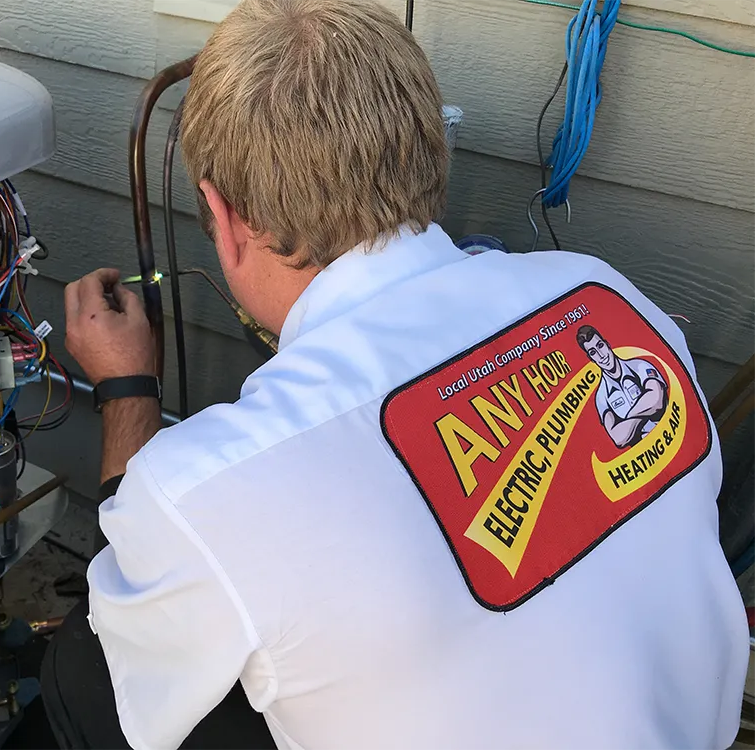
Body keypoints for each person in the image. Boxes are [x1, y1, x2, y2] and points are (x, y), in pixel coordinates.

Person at [45, 0, 748, 748]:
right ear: (431, 149)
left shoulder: (207, 490)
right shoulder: (600, 297)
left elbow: (134, 644)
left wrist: (125, 390)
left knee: (82, 674)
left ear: (225, 217)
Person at [577, 324, 669, 448]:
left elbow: (656, 400)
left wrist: (628, 419)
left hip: (671, 431)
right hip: (647, 452)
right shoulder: (601, 396)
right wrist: (645, 409)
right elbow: (618, 438)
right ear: (591, 359)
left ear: (607, 344)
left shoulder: (640, 366)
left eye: (600, 346)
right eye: (593, 352)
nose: (601, 355)